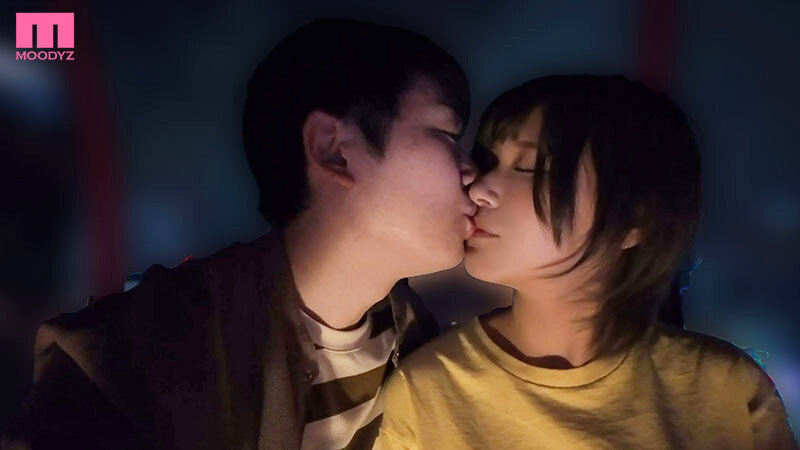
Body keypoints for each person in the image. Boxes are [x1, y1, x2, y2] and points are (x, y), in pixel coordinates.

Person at [3, 19, 478, 450]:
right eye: (446, 135)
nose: (473, 172)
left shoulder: (425, 348)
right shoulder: (136, 357)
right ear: (332, 148)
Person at [379, 75, 798, 449]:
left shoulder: (726, 390)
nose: (480, 189)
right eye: (487, 163)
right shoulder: (427, 390)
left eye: (528, 167)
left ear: (635, 217)